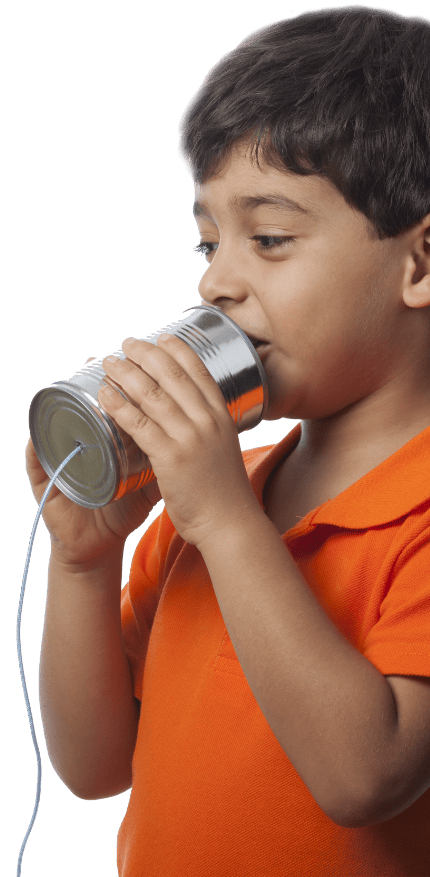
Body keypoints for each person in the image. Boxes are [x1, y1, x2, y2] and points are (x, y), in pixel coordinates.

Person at [25, 5, 430, 875]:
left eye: (270, 238)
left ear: (420, 264)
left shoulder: (240, 507)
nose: (215, 281)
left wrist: (224, 520)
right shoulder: (209, 493)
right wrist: (84, 565)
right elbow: (96, 768)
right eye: (207, 241)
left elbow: (366, 775)